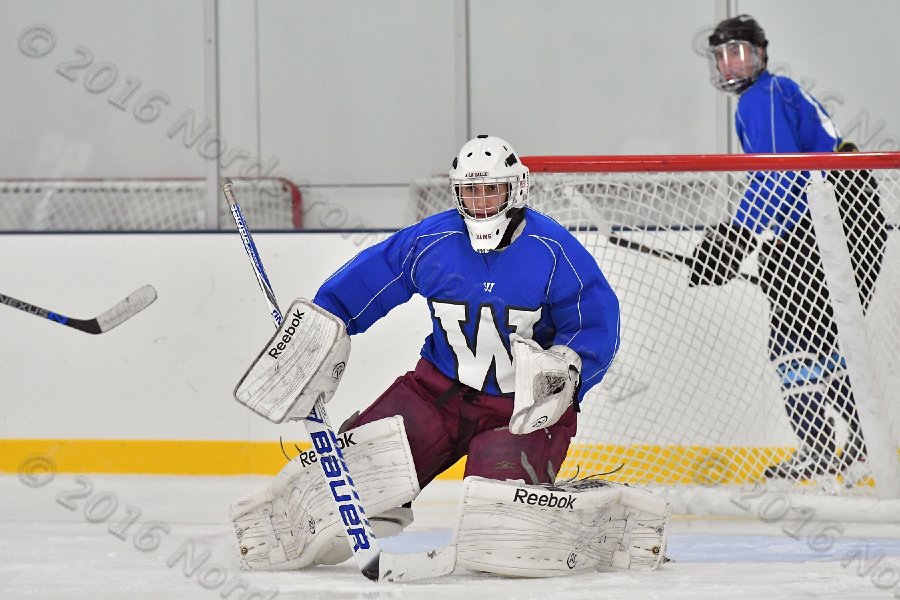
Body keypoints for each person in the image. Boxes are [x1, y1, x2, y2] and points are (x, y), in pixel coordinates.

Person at [229, 135, 625, 573]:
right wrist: (319, 334)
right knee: (350, 482)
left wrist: (569, 367)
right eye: (471, 191)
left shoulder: (553, 250)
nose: (481, 202)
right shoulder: (432, 241)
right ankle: (343, 517)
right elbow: (367, 282)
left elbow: (594, 322)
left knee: (500, 529)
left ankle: (592, 518)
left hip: (522, 410)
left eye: (492, 190)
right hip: (437, 393)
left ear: (517, 189)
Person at [693, 15, 887, 480]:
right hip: (843, 225)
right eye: (723, 55)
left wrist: (738, 235)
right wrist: (766, 242)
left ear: (761, 54)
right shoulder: (778, 93)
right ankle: (862, 448)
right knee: (826, 343)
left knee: (789, 346)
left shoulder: (763, 97)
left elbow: (781, 172)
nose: (731, 63)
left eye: (740, 52)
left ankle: (822, 452)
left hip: (828, 227)